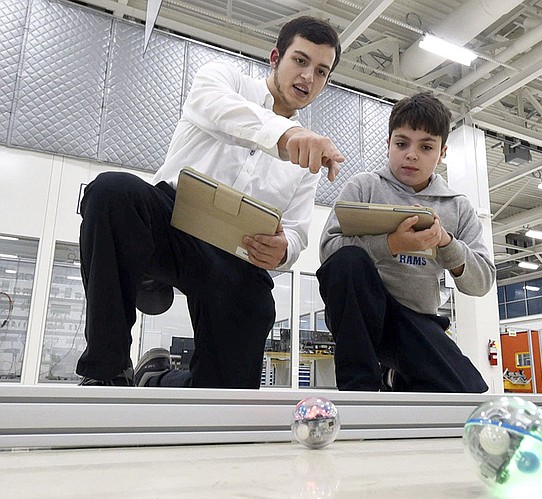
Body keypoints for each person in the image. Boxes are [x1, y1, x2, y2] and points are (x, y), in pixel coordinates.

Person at [77, 16, 343, 388]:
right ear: (275, 57)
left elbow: (298, 232)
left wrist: (283, 251)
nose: (308, 78)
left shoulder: (310, 157)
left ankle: (157, 379)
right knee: (111, 192)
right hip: (167, 221)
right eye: (300, 61)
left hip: (230, 253)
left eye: (321, 71)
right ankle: (106, 370)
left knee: (227, 388)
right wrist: (286, 134)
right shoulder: (226, 79)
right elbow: (215, 108)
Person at [317, 92, 494, 392]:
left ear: (442, 153)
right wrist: (391, 244)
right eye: (402, 144)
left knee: (469, 391)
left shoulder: (458, 207)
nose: (411, 154)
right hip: (360, 318)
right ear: (388, 145)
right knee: (349, 260)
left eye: (426, 147)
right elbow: (328, 255)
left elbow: (481, 282)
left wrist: (445, 243)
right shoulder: (363, 186)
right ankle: (358, 391)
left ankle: (395, 375)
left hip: (415, 322)